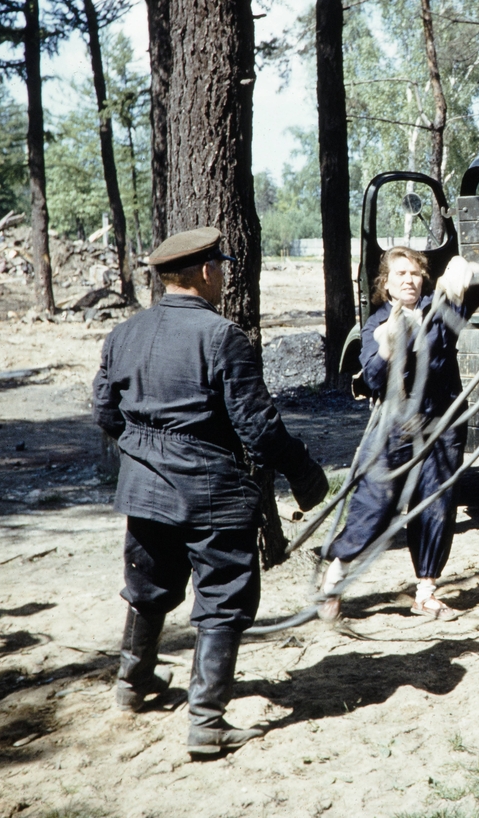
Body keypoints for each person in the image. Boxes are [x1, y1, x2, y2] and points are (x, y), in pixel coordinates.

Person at [92, 226, 329, 760]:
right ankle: (206, 723)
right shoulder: (223, 337)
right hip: (211, 495)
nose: (223, 274)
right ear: (204, 272)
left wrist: (146, 455)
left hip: (145, 492)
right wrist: (305, 472)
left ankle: (133, 685)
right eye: (220, 265)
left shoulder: (123, 334)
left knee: (148, 587)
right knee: (223, 601)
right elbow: (259, 428)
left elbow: (105, 413)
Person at [319, 248, 479, 621]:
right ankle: (334, 582)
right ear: (386, 284)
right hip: (394, 428)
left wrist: (464, 270)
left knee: (435, 505)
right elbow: (372, 379)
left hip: (441, 425)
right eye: (401, 274)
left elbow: (477, 289)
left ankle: (426, 591)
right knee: (373, 506)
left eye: (416, 273)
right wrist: (388, 349)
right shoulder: (376, 323)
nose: (410, 279)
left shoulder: (441, 306)